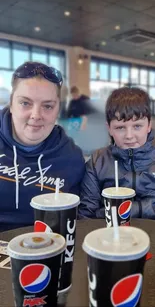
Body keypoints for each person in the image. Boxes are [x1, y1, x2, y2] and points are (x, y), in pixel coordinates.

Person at [0, 61, 85, 231]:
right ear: (11, 104)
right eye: (25, 103)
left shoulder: (72, 157)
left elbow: (75, 220)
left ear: (58, 109)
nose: (36, 115)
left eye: (47, 106)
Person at [79, 87, 155, 219]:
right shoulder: (97, 161)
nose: (129, 136)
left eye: (137, 126)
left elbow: (99, 213)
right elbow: (86, 215)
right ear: (109, 129)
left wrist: (126, 210)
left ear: (149, 125)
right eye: (120, 128)